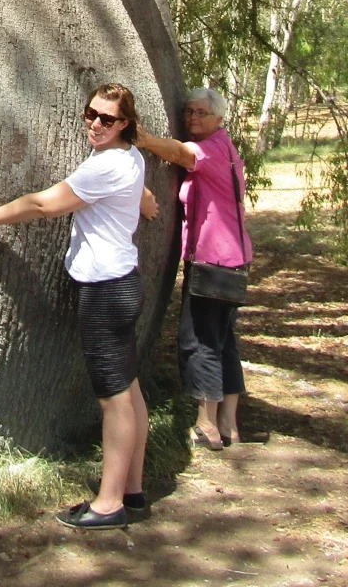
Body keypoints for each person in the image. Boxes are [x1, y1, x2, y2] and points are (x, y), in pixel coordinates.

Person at [0, 83, 160, 529]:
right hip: (122, 282)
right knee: (129, 389)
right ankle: (133, 491)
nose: (95, 124)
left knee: (115, 400)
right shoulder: (128, 157)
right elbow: (133, 191)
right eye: (90, 114)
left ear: (125, 124)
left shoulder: (106, 165)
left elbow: (44, 205)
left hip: (106, 291)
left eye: (107, 119)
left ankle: (109, 504)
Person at [138, 87, 255, 449]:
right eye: (189, 111)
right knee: (223, 340)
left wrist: (145, 140)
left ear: (219, 118)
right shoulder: (226, 147)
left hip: (213, 260)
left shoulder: (212, 149)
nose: (192, 118)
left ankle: (206, 424)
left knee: (200, 340)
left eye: (201, 113)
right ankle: (229, 423)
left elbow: (180, 153)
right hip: (232, 259)